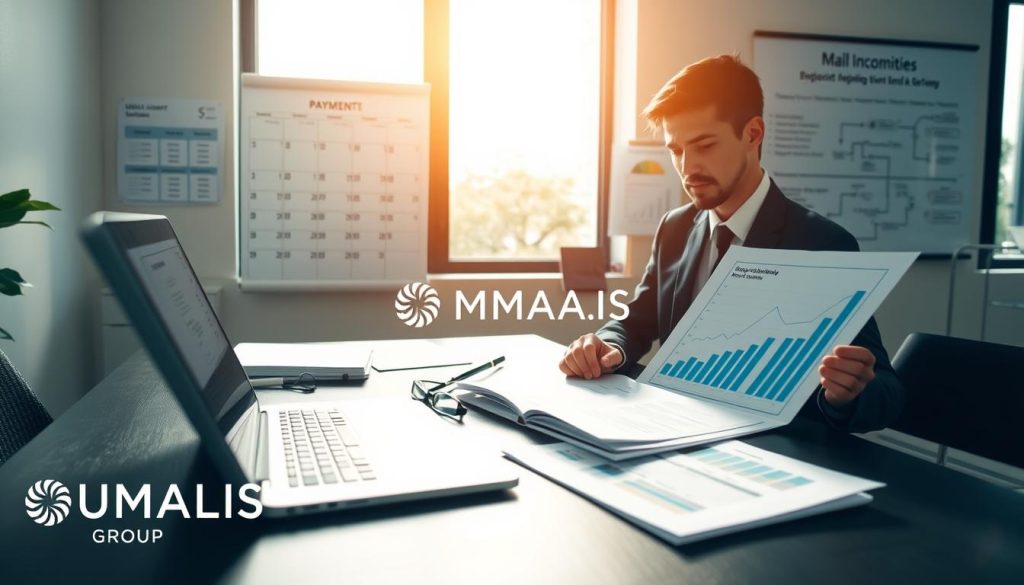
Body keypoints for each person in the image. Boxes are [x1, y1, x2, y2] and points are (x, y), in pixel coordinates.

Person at [558, 54, 904, 432]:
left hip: (775, 453)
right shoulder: (674, 228)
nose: (687, 168)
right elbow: (637, 321)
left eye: (704, 145)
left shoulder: (822, 243)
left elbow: (886, 391)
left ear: (753, 134)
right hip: (675, 434)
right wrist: (608, 345)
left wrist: (847, 395)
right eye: (676, 150)